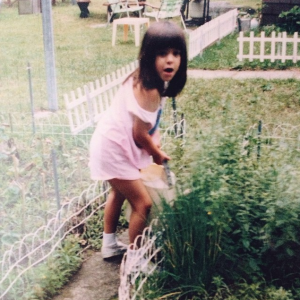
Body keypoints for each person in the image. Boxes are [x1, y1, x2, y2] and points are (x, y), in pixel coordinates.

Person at [89, 21, 187, 260]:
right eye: (162, 54)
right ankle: (136, 260)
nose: (170, 60)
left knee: (119, 192)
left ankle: (110, 245)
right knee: (143, 203)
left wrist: (154, 139)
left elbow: (144, 124)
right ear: (149, 56)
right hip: (114, 149)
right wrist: (156, 152)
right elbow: (139, 134)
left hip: (110, 143)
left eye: (176, 53)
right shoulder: (150, 89)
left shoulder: (145, 79)